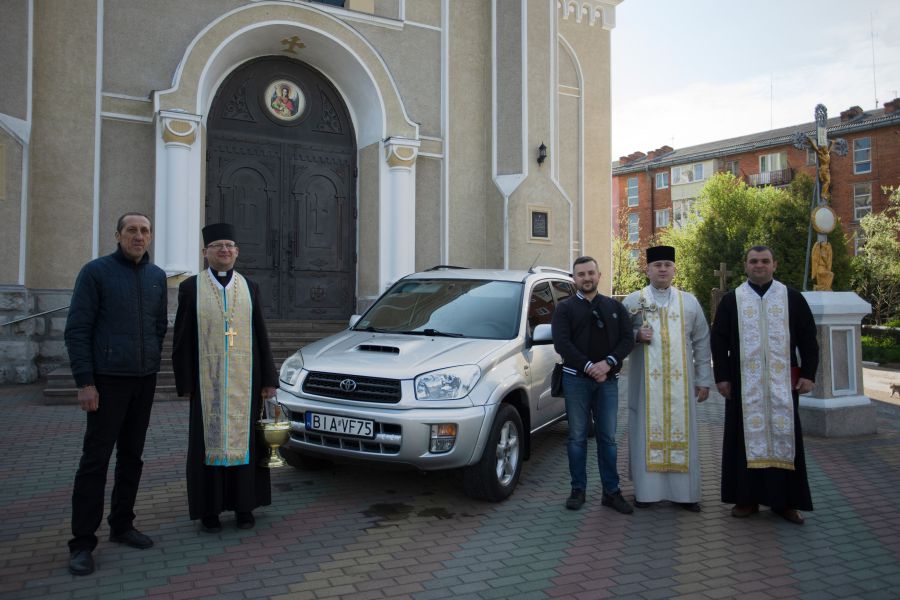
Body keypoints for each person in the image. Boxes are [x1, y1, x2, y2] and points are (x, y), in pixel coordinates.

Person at [64, 213, 168, 576]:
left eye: (145, 231)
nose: (139, 237)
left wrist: (151, 358)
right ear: (118, 235)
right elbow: (78, 328)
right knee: (95, 462)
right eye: (132, 231)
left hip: (144, 379)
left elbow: (158, 326)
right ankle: (81, 543)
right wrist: (85, 381)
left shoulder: (157, 278)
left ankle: (122, 525)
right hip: (106, 382)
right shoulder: (96, 272)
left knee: (132, 457)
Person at [172, 223, 278, 533]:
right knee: (206, 446)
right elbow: (181, 338)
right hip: (208, 384)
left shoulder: (250, 286)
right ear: (205, 252)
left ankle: (245, 507)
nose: (224, 250)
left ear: (237, 252)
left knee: (247, 446)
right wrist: (186, 383)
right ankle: (209, 511)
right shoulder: (191, 287)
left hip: (246, 382)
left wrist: (269, 379)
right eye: (218, 245)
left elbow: (261, 334)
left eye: (230, 245)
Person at [711, 245, 819, 525]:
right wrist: (721, 377)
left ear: (775, 264)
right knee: (742, 441)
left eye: (765, 261)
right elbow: (719, 341)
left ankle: (785, 502)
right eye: (753, 261)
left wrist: (809, 374)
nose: (759, 265)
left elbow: (809, 338)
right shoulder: (732, 300)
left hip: (782, 386)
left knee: (785, 440)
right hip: (743, 387)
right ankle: (746, 499)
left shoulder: (792, 298)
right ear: (745, 265)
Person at [623, 246, 713, 512]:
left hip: (681, 387)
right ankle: (646, 493)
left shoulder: (690, 302)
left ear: (674, 269)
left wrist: (704, 379)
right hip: (645, 388)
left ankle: (685, 495)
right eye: (657, 265)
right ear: (647, 269)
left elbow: (701, 341)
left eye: (667, 265)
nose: (662, 269)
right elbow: (617, 340)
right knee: (643, 432)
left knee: (683, 432)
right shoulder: (632, 301)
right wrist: (636, 336)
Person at [552, 256, 635, 513]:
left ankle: (611, 492)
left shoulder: (614, 307)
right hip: (576, 381)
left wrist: (608, 363)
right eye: (581, 274)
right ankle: (578, 490)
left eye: (591, 273)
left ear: (599, 276)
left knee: (608, 439)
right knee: (577, 438)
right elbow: (562, 343)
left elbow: (627, 339)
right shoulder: (564, 309)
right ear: (574, 279)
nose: (586, 278)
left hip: (608, 381)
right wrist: (589, 367)